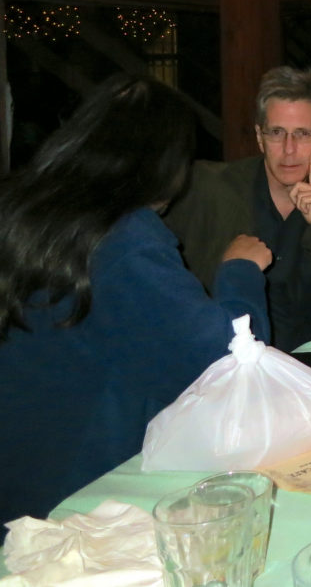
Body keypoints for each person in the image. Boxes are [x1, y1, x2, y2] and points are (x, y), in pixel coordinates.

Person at [0, 74, 272, 528]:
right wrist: (241, 270)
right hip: (80, 503)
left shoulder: (24, 213)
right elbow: (228, 366)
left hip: (20, 475)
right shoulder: (123, 238)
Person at [165, 66, 311, 352]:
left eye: (302, 134)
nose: (289, 149)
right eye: (277, 133)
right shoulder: (210, 188)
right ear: (259, 137)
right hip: (228, 368)